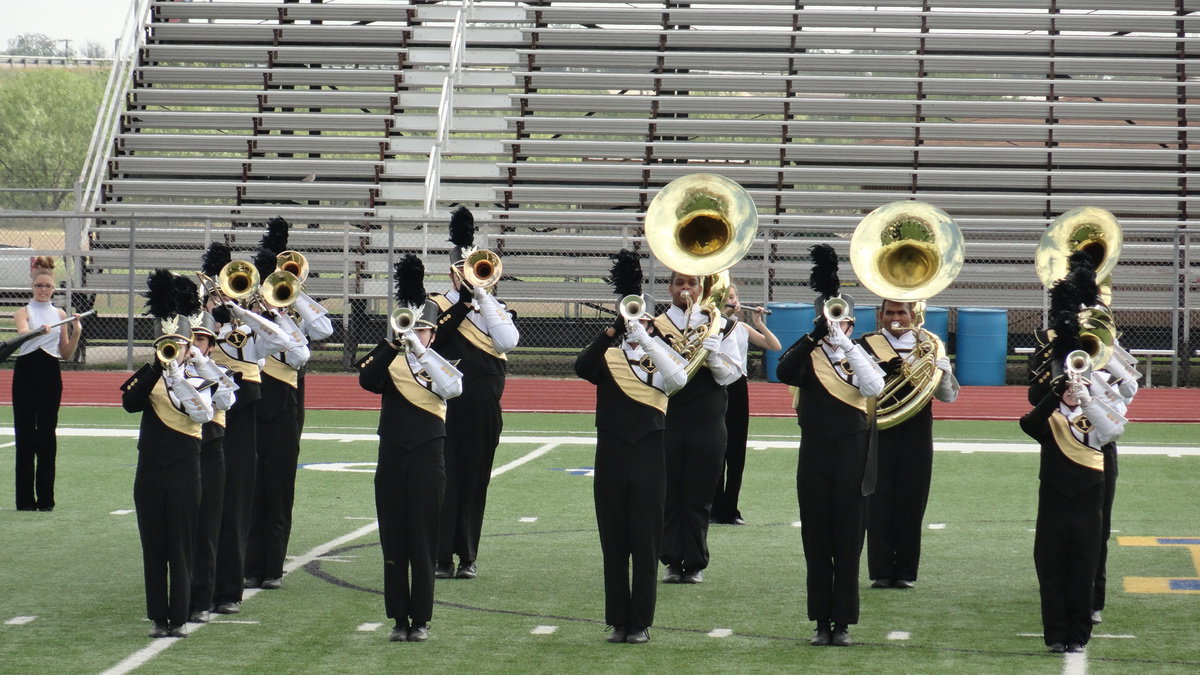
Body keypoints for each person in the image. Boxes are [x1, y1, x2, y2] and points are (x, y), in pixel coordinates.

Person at [776, 244, 885, 647]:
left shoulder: (862, 354)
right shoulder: (808, 355)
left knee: (847, 541)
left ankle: (843, 623)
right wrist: (813, 337)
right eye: (829, 319)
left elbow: (874, 387)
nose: (836, 325)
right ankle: (821, 620)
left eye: (843, 320)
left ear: (853, 323)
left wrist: (847, 347)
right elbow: (783, 371)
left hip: (852, 458)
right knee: (817, 542)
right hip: (815, 456)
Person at [358, 253, 464, 643]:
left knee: (421, 544)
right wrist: (392, 343)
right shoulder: (389, 362)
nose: (415, 334)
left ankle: (420, 619)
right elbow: (366, 380)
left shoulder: (443, 364)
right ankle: (397, 618)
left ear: (434, 334)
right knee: (393, 544)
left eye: (423, 330)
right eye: (411, 329)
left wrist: (420, 352)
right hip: (392, 460)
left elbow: (452, 389)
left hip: (426, 462)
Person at [577, 301, 687, 644]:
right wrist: (612, 329)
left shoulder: (662, 358)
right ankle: (617, 619)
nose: (635, 325)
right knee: (614, 543)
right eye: (632, 319)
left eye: (643, 319)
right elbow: (582, 366)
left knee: (644, 543)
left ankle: (639, 622)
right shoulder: (609, 357)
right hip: (610, 455)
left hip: (648, 458)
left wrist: (647, 337)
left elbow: (679, 379)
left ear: (653, 325)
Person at [120, 270, 215, 638]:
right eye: (167, 342)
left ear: (190, 345)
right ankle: (158, 616)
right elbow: (129, 403)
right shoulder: (150, 374)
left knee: (181, 543)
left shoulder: (200, 378)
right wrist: (157, 369)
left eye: (179, 343)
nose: (173, 348)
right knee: (154, 544)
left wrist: (176, 376)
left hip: (184, 467)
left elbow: (201, 412)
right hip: (150, 468)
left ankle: (180, 616)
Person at [199, 243, 290, 615]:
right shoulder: (197, 322)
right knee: (203, 502)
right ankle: (199, 587)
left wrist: (239, 311)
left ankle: (228, 589)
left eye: (230, 288)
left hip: (241, 409)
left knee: (235, 501)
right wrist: (206, 316)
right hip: (203, 410)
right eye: (218, 290)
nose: (222, 295)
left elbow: (282, 341)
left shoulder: (248, 327)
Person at [429, 207, 519, 580]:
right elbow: (437, 339)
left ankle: (467, 555)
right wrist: (463, 303)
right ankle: (440, 556)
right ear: (453, 272)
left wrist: (482, 299)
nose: (471, 275)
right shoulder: (436, 305)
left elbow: (507, 342)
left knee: (475, 480)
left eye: (478, 269)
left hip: (483, 408)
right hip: (445, 406)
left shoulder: (495, 308)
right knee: (444, 479)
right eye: (464, 270)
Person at [1020, 371, 1124, 654]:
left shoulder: (1097, 415)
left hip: (1088, 504)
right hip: (1054, 503)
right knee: (1051, 570)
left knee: (1083, 571)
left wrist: (1088, 398)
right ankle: (1055, 634)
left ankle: (1078, 636)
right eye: (1068, 387)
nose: (1072, 390)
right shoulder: (1051, 419)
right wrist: (1053, 394)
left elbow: (1113, 432)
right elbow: (1028, 424)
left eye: (1077, 386)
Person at [653, 272, 743, 584]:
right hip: (669, 419)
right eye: (680, 284)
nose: (686, 289)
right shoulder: (656, 326)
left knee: (699, 493)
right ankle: (670, 559)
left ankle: (694, 562)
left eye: (692, 284)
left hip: (708, 421)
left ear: (700, 289)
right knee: (669, 493)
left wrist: (712, 354)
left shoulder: (721, 324)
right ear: (670, 289)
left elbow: (731, 377)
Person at [861, 300, 958, 589]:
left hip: (916, 427)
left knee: (912, 498)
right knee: (877, 500)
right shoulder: (866, 345)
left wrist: (944, 373)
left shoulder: (929, 346)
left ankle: (905, 571)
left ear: (912, 315)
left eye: (901, 312)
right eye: (889, 313)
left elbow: (948, 397)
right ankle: (880, 570)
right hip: (878, 428)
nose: (895, 318)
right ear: (880, 315)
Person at [246, 249, 313, 591]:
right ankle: (248, 562)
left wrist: (285, 309)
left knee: (278, 486)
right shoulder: (244, 313)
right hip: (251, 400)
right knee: (250, 484)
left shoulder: (295, 315)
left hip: (283, 402)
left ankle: (271, 565)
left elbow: (310, 344)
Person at [12, 257, 82, 512]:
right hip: (26, 372)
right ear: (33, 286)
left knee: (47, 436)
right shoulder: (23, 312)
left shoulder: (60, 315)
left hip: (50, 374)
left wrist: (76, 332)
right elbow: (21, 333)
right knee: (26, 435)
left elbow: (65, 354)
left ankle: (46, 499)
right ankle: (25, 500)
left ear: (54, 289)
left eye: (48, 286)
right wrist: (36, 331)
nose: (43, 290)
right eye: (39, 286)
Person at [711, 283, 780, 526]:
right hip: (716, 387)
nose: (731, 301)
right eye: (726, 298)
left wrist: (759, 322)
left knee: (736, 451)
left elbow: (774, 346)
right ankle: (714, 507)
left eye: (733, 297)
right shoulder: (710, 327)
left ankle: (731, 509)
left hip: (738, 388)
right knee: (716, 449)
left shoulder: (742, 327)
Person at [187, 312, 239, 624]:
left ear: (211, 344)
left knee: (207, 526)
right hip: (179, 449)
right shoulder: (169, 370)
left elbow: (226, 399)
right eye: (191, 337)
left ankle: (202, 598)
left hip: (209, 447)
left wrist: (202, 364)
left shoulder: (219, 370)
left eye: (202, 338)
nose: (194, 343)